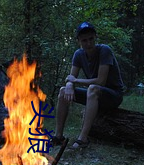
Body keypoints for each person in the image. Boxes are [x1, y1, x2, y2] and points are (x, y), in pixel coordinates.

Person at [53, 21, 125, 149]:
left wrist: (74, 81)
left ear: (95, 37)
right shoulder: (78, 54)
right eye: (84, 40)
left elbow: (100, 81)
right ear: (79, 41)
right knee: (63, 91)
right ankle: (58, 136)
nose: (89, 43)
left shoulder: (104, 50)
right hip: (95, 94)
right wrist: (69, 85)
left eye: (91, 39)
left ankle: (83, 139)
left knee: (93, 88)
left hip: (113, 95)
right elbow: (71, 78)